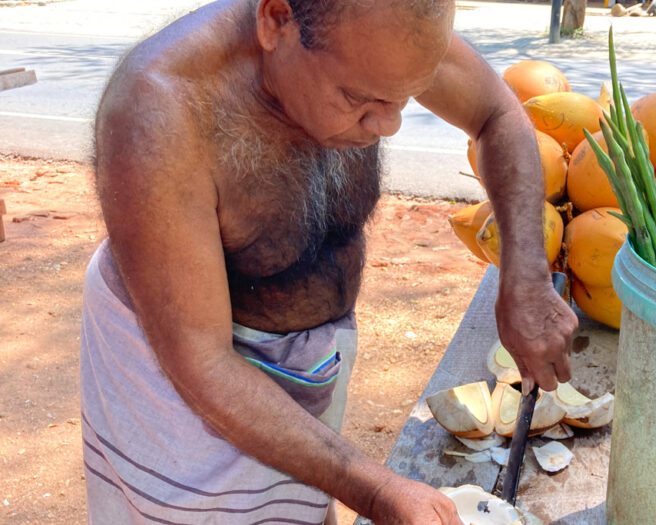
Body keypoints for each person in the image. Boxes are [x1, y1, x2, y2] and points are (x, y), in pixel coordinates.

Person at [79, 0, 578, 523]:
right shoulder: (160, 107)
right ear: (276, 21)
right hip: (183, 393)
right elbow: (203, 365)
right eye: (358, 98)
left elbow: (498, 115)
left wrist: (524, 275)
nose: (388, 125)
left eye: (404, 97)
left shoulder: (382, 27)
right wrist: (377, 491)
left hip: (308, 368)